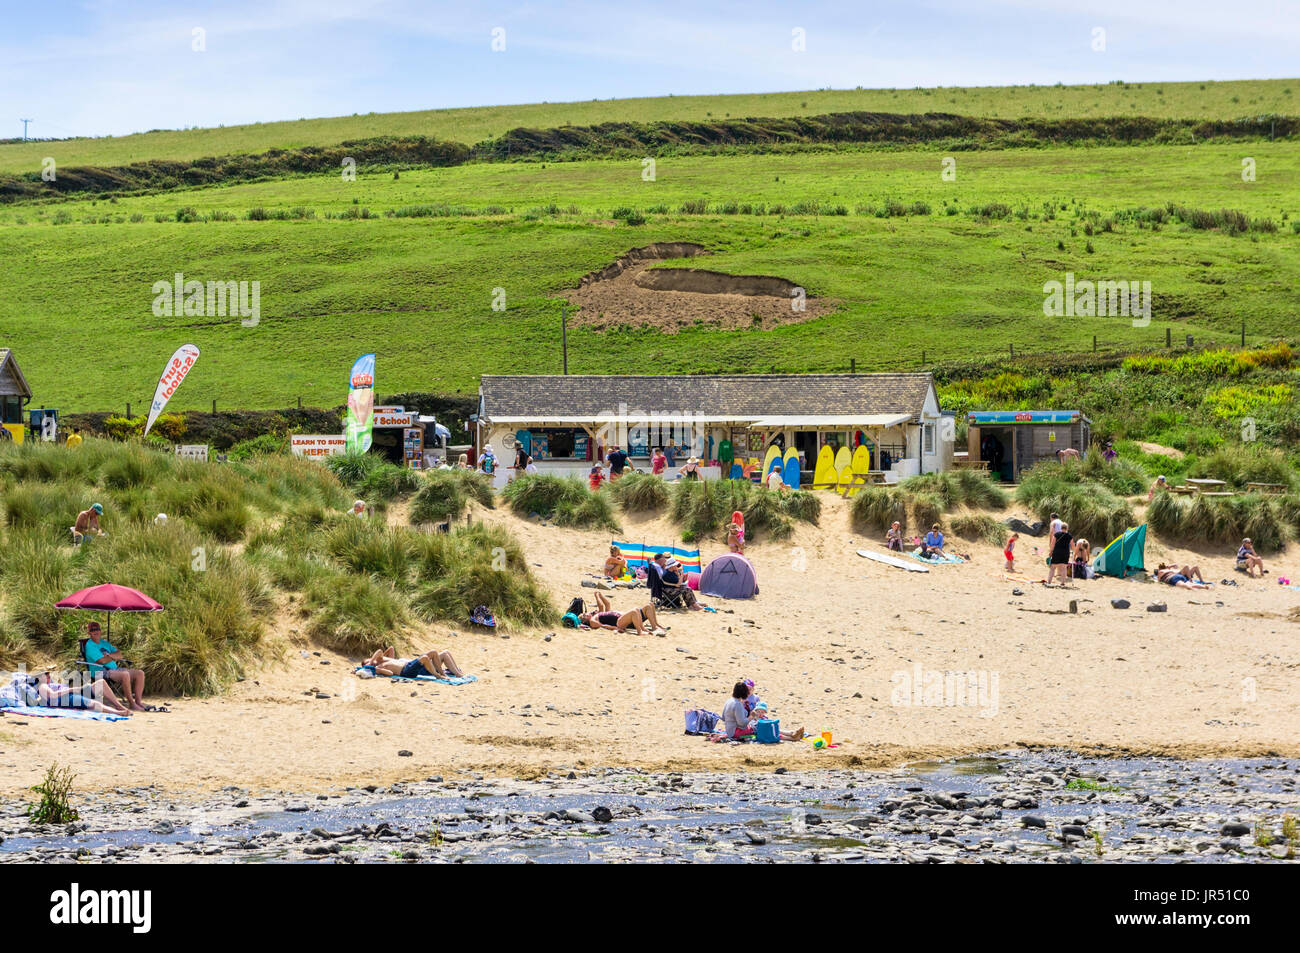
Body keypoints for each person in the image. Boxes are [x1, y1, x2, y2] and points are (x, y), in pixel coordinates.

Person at [84, 621, 150, 711]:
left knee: (140, 673)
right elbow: (102, 661)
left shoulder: (104, 643)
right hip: (100, 671)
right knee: (125, 674)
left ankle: (138, 702)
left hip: (114, 669)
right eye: (92, 630)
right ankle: (132, 704)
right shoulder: (90, 645)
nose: (95, 631)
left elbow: (120, 655)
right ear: (89, 633)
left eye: (97, 629)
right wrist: (113, 656)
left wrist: (109, 656)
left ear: (100, 630)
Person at [718, 682, 804, 742]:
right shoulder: (737, 704)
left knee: (759, 725)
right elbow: (742, 724)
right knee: (763, 728)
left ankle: (791, 733)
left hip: (730, 730)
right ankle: (792, 737)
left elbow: (723, 717)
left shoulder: (729, 701)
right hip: (735, 732)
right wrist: (751, 717)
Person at [579, 592, 667, 636]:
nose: (587, 613)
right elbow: (603, 626)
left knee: (650, 605)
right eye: (584, 615)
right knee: (634, 610)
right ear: (585, 619)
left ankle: (655, 626)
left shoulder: (599, 615)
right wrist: (617, 628)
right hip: (621, 623)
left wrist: (600, 596)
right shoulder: (592, 620)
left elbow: (606, 604)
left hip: (628, 619)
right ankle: (640, 631)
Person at [365, 646, 463, 679]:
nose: (370, 662)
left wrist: (374, 660)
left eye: (369, 660)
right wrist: (373, 667)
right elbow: (390, 673)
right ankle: (442, 674)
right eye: (367, 663)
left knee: (443, 652)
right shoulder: (380, 667)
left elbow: (388, 649)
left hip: (410, 666)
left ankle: (456, 673)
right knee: (431, 656)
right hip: (408, 669)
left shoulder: (385, 660)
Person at [1047, 521, 1073, 586]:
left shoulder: (1056, 534)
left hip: (1057, 552)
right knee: (1064, 568)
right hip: (1065, 553)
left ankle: (1049, 581)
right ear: (1067, 528)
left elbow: (1052, 544)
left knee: (1053, 567)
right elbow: (1072, 545)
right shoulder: (1069, 536)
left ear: (1061, 528)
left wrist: (1050, 552)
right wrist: (1073, 551)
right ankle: (1062, 582)